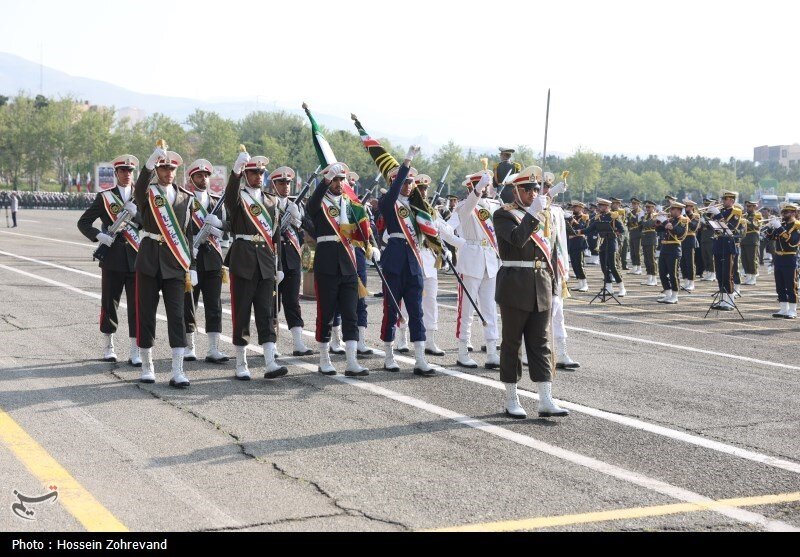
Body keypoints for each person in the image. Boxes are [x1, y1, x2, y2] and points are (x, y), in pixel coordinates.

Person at [493, 165, 569, 419]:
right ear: (516, 190)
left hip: (542, 284)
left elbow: (552, 253)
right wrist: (533, 213)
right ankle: (511, 398)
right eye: (528, 189)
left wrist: (555, 285)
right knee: (512, 344)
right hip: (515, 284)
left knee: (541, 344)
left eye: (537, 188)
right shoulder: (503, 215)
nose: (533, 193)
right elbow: (516, 239)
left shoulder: (543, 214)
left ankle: (546, 399)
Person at [134, 145, 196, 387]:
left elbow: (187, 233)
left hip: (176, 263)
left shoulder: (185, 197)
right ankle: (147, 366)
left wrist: (192, 265)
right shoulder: (147, 193)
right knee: (146, 314)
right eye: (163, 167)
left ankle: (177, 370)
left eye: (171, 168)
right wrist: (148, 165)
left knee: (177, 317)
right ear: (157, 169)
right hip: (149, 261)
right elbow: (138, 190)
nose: (168, 172)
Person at [225, 151, 286, 380]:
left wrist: (278, 263)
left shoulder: (272, 200)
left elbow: (275, 233)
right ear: (246, 175)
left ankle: (270, 362)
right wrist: (235, 172)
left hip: (266, 262)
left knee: (266, 312)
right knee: (241, 312)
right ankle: (241, 362)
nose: (258, 176)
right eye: (253, 172)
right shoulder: (239, 197)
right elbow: (229, 198)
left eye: (261, 172)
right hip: (243, 259)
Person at [377, 147, 437, 376]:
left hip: (413, 262)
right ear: (395, 182)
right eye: (405, 182)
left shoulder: (416, 207)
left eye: (411, 182)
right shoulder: (388, 202)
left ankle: (420, 358)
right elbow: (392, 194)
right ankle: (389, 354)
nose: (409, 185)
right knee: (390, 310)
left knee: (416, 311)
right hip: (394, 260)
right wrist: (407, 162)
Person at [77, 155, 142, 366]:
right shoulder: (105, 197)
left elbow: (149, 224)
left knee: (137, 306)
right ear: (116, 174)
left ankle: (135, 349)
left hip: (135, 257)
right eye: (123, 171)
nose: (126, 174)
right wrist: (98, 235)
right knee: (109, 303)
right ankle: (109, 346)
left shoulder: (141, 197)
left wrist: (138, 216)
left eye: (130, 171)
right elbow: (83, 222)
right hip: (112, 257)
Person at [306, 161, 370, 377]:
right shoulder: (319, 202)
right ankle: (324, 359)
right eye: (335, 179)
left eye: (341, 179)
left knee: (351, 314)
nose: (339, 183)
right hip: (327, 263)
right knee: (326, 313)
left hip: (349, 263)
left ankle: (351, 362)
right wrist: (323, 182)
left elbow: (362, 226)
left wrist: (373, 245)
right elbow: (311, 206)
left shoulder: (350, 204)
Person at [448, 168, 502, 369]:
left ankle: (491, 351)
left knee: (489, 308)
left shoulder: (494, 205)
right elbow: (448, 228)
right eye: (482, 185)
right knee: (467, 309)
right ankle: (462, 351)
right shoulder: (465, 205)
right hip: (471, 259)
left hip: (490, 260)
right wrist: (460, 244)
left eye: (487, 184)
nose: (486, 188)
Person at [182, 159, 229, 364]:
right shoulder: (185, 201)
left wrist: (218, 226)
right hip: (190, 259)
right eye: (199, 176)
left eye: (206, 176)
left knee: (214, 305)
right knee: (189, 304)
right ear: (191, 179)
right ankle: (189, 346)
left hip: (213, 260)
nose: (204, 179)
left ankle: (213, 348)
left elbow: (228, 231)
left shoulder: (217, 201)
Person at [270, 166, 314, 357]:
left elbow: (312, 228)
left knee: (292, 301)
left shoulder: (296, 204)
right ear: (274, 185)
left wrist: (299, 218)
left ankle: (298, 343)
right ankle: (272, 344)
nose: (285, 186)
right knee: (272, 304)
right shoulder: (268, 204)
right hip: (273, 258)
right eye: (281, 183)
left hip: (292, 259)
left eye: (288, 183)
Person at [706, 191, 742, 311]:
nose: (722, 201)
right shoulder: (720, 211)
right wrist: (709, 214)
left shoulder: (736, 212)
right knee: (719, 275)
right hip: (718, 244)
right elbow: (710, 226)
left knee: (727, 275)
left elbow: (731, 227)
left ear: (732, 200)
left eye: (725, 199)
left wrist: (717, 215)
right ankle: (723, 300)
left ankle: (729, 301)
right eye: (723, 199)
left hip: (727, 245)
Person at [763, 204, 800, 318]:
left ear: (793, 213)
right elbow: (770, 237)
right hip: (778, 257)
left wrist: (779, 227)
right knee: (780, 284)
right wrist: (770, 227)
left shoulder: (797, 225)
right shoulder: (782, 224)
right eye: (783, 212)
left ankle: (793, 310)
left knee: (790, 284)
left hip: (789, 257)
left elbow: (792, 242)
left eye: (786, 212)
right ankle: (783, 308)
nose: (783, 214)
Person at [584, 198, 626, 295]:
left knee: (612, 266)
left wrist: (615, 233)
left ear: (607, 207)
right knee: (604, 267)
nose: (599, 207)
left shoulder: (613, 216)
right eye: (599, 205)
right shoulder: (598, 217)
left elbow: (622, 229)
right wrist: (578, 232)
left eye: (601, 206)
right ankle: (609, 287)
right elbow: (590, 229)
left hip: (611, 243)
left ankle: (622, 288)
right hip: (602, 244)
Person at [656, 202, 688, 304]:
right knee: (662, 272)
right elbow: (659, 229)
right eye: (671, 209)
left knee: (673, 273)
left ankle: (675, 295)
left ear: (679, 210)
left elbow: (678, 232)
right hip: (664, 248)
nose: (671, 211)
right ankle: (668, 294)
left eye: (673, 209)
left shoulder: (683, 220)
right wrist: (659, 220)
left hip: (674, 248)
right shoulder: (670, 220)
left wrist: (665, 222)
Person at [567, 202, 589, 292]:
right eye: (573, 207)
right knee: (574, 264)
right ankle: (579, 282)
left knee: (579, 264)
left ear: (580, 208)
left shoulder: (585, 217)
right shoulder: (572, 217)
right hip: (572, 243)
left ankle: (585, 284)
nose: (573, 209)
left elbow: (583, 229)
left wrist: (574, 222)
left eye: (575, 207)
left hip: (579, 243)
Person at [679, 199, 700, 291]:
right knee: (682, 262)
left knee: (690, 262)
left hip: (690, 239)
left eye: (687, 206)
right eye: (685, 206)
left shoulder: (696, 216)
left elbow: (693, 227)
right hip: (682, 240)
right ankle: (686, 280)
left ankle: (692, 282)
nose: (686, 208)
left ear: (692, 207)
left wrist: (686, 218)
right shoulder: (682, 216)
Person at [741, 200, 761, 286]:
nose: (747, 208)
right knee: (744, 259)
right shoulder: (745, 215)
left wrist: (749, 222)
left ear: (754, 207)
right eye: (747, 206)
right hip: (744, 239)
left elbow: (756, 226)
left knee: (752, 259)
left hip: (752, 239)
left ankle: (753, 277)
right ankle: (748, 276)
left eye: (749, 206)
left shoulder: (757, 215)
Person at [640, 201, 660, 286]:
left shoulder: (655, 215)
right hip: (645, 237)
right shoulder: (645, 216)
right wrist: (643, 222)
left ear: (653, 207)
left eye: (649, 207)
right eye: (646, 207)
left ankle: (654, 277)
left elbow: (649, 224)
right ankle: (649, 277)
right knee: (646, 259)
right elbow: (642, 225)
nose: (647, 209)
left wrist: (644, 222)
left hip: (651, 237)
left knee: (652, 259)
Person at [699, 198, 717, 281]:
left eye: (707, 205)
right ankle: (708, 272)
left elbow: (713, 226)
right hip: (704, 238)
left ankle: (712, 273)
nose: (706, 206)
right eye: (705, 205)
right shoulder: (704, 214)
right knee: (705, 256)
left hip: (710, 237)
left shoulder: (714, 215)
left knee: (710, 257)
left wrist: (706, 220)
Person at [627, 198, 644, 275]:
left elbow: (637, 220)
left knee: (637, 251)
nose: (633, 205)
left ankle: (639, 267)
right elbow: (629, 222)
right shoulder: (631, 212)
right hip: (632, 232)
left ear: (638, 204)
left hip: (638, 232)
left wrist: (631, 215)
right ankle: (634, 267)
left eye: (635, 204)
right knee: (632, 250)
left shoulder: (640, 212)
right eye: (632, 204)